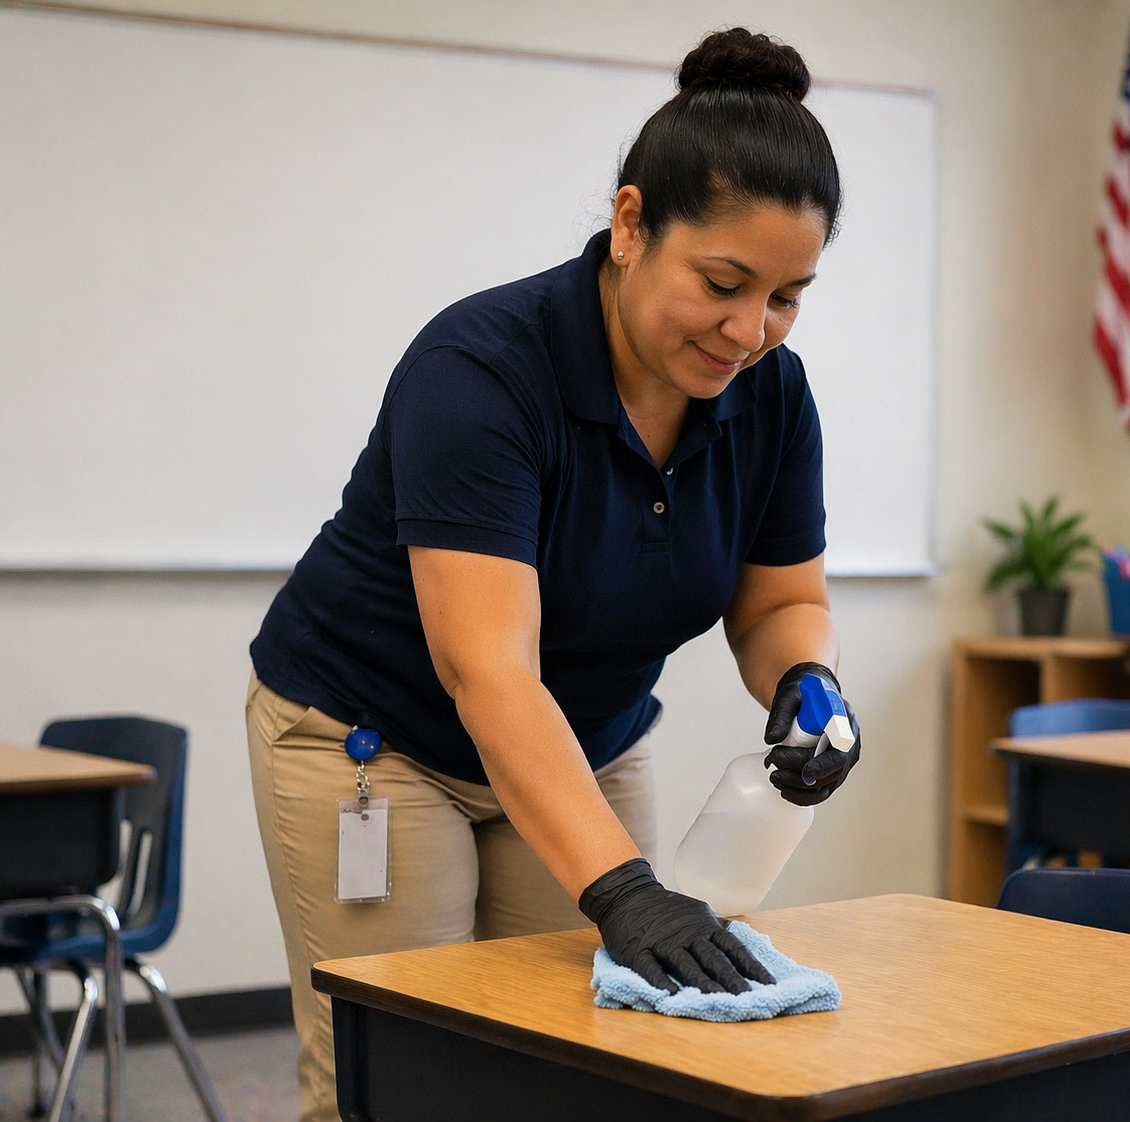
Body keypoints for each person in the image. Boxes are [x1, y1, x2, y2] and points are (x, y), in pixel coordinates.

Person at [245, 25, 863, 1122]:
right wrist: (623, 887)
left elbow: (778, 598)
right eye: (722, 282)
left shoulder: (772, 394)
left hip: (585, 738)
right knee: (405, 1071)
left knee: (582, 1057)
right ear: (630, 226)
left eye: (786, 295)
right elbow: (488, 675)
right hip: (379, 742)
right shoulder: (480, 370)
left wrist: (803, 678)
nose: (748, 331)